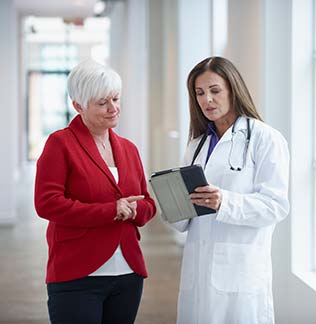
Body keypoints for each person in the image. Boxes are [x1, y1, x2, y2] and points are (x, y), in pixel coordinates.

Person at [168, 56, 289, 324]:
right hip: (197, 271)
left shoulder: (265, 138)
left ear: (233, 90)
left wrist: (224, 202)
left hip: (241, 270)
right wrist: (172, 203)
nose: (206, 100)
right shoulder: (197, 145)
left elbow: (276, 206)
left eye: (214, 90)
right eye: (199, 93)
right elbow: (183, 221)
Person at [34, 59, 156, 324]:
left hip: (127, 274)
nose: (113, 108)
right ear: (78, 106)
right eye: (102, 103)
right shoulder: (60, 144)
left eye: (115, 98)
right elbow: (47, 204)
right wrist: (111, 210)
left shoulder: (129, 148)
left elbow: (147, 204)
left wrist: (137, 209)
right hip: (77, 275)